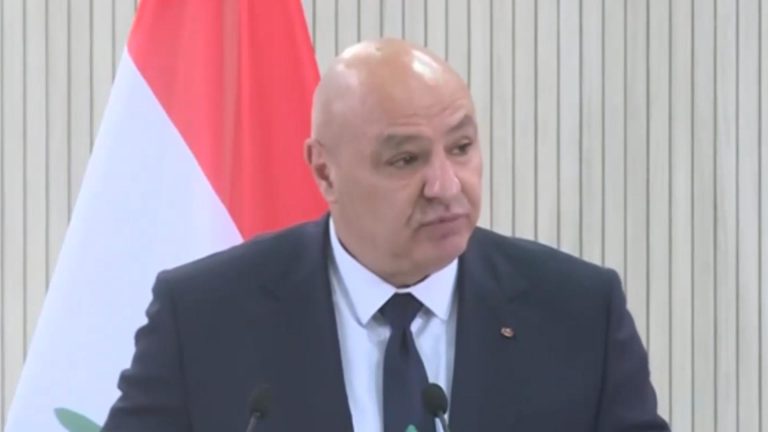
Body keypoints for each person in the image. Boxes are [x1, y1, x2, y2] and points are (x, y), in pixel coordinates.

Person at [103, 38, 670, 432]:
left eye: (461, 147)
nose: (446, 185)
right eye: (405, 160)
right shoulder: (204, 317)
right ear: (325, 171)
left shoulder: (578, 312)